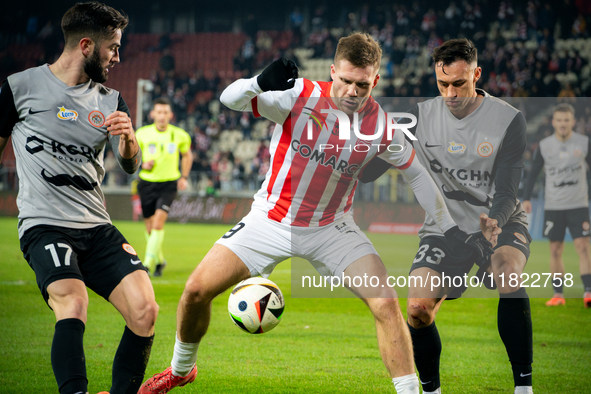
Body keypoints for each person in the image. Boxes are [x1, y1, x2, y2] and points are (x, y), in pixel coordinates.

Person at [139, 33, 492, 394]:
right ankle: (181, 370)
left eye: (362, 85)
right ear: (332, 72)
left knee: (386, 303)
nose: (353, 92)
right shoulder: (299, 96)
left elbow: (418, 175)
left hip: (332, 229)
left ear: (376, 81)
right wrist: (259, 82)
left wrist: (449, 230)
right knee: (195, 291)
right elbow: (229, 100)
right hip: (270, 220)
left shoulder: (383, 126)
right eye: (346, 82)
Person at [359, 38, 533, 394]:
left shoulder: (508, 120)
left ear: (476, 74)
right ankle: (432, 390)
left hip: (499, 221)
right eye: (443, 84)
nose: (450, 93)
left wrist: (494, 222)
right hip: (444, 229)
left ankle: (523, 387)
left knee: (508, 274)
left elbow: (507, 192)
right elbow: (368, 172)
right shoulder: (420, 116)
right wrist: (372, 143)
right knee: (418, 309)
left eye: (459, 83)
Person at [0, 3, 158, 394]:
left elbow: (131, 166)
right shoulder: (19, 88)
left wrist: (129, 142)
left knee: (145, 310)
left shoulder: (110, 99)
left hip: (96, 226)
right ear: (86, 45)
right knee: (73, 302)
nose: (118, 57)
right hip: (44, 225)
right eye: (113, 48)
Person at [522, 103, 591, 308]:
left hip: (578, 204)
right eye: (559, 120)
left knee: (583, 247)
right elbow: (533, 173)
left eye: (566, 120)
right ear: (553, 122)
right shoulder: (544, 145)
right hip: (553, 205)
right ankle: (558, 294)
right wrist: (526, 198)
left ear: (573, 122)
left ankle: (588, 292)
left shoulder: (584, 143)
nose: (562, 124)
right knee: (555, 249)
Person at [136, 97, 193, 276]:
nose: (162, 116)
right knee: (149, 226)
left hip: (169, 184)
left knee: (158, 223)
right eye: (159, 112)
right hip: (146, 183)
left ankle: (146, 263)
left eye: (165, 112)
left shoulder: (180, 135)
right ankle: (160, 261)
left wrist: (183, 177)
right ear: (153, 114)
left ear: (170, 115)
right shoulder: (142, 134)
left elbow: (187, 155)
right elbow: (131, 155)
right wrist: (141, 164)